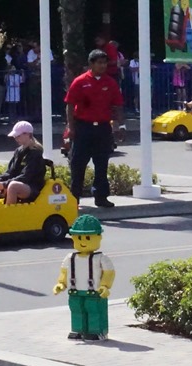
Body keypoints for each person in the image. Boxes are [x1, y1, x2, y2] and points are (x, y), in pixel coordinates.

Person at [64, 49, 124, 208]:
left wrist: (120, 126)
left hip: (103, 128)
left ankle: (101, 197)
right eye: (99, 63)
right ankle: (74, 198)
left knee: (102, 163)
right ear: (91, 64)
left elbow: (117, 105)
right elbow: (70, 105)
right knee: (78, 163)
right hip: (83, 127)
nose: (103, 66)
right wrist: (71, 127)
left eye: (105, 63)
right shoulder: (80, 81)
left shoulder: (110, 82)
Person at [52, 215, 116, 341]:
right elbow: (64, 272)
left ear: (99, 237)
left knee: (95, 310)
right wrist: (61, 284)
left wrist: (105, 286)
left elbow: (109, 272)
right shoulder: (70, 258)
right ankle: (78, 330)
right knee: (76, 310)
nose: (83, 241)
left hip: (94, 292)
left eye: (88, 238)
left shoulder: (101, 258)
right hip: (75, 291)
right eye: (79, 238)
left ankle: (96, 331)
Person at [0, 120, 46, 205]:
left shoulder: (35, 152)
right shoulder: (19, 151)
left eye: (18, 136)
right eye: (15, 136)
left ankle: (8, 211)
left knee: (13, 186)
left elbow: (26, 176)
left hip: (32, 186)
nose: (15, 138)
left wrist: (5, 184)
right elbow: (10, 172)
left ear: (27, 134)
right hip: (18, 182)